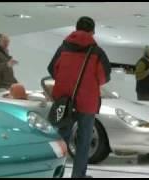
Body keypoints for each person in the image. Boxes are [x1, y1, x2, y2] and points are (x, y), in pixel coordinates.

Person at [47, 16, 111, 178]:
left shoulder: (63, 47)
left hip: (64, 100)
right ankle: (78, 175)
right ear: (92, 31)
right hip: (87, 103)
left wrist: (65, 80)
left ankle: (56, 173)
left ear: (76, 29)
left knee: (61, 139)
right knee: (83, 141)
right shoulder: (96, 51)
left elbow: (52, 69)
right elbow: (104, 76)